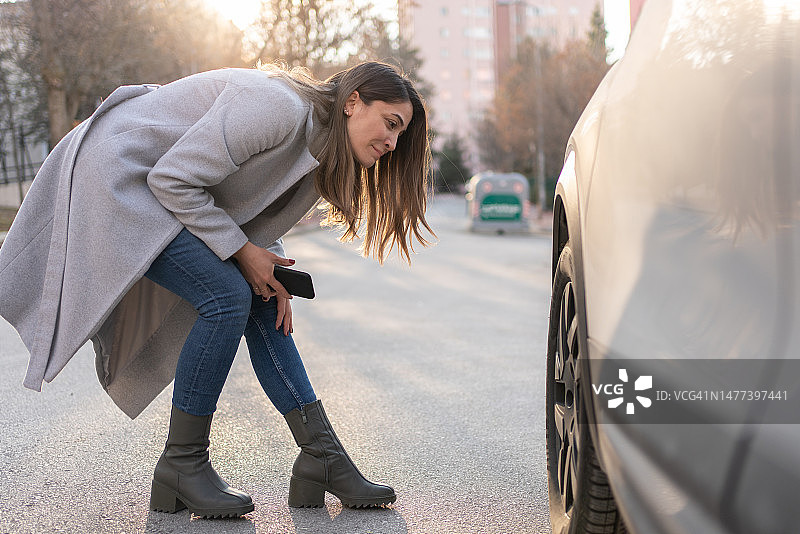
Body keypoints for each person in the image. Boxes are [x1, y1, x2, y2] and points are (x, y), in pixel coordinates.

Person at [0, 62, 432, 517]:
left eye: (400, 134)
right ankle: (182, 466)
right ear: (352, 102)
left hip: (157, 187)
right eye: (391, 123)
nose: (392, 141)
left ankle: (322, 459)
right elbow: (171, 178)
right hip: (117, 176)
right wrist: (244, 252)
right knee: (226, 297)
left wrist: (269, 269)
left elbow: (252, 207)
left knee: (260, 300)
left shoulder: (322, 151)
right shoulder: (278, 108)